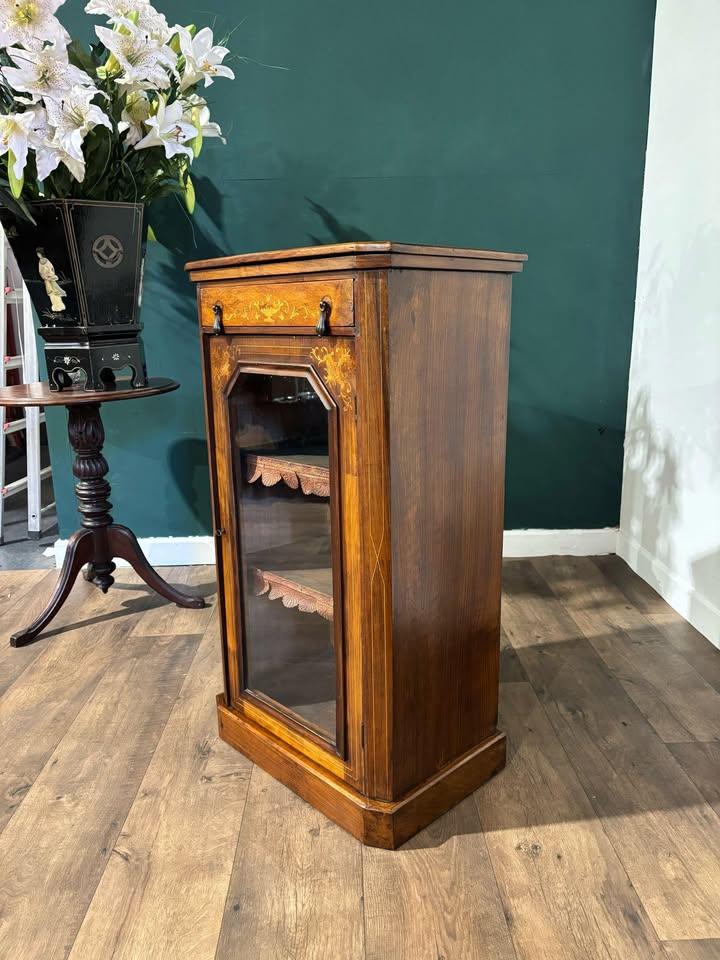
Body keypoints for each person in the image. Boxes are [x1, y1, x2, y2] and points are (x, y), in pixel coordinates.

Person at [36, 248, 66, 313]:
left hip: (50, 278)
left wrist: (50, 275)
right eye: (37, 254)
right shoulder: (40, 262)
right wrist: (44, 276)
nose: (38, 255)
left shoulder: (46, 260)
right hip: (46, 280)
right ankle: (55, 306)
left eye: (39, 254)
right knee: (51, 293)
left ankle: (60, 305)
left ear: (42, 253)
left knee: (55, 291)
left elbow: (51, 269)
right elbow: (40, 271)